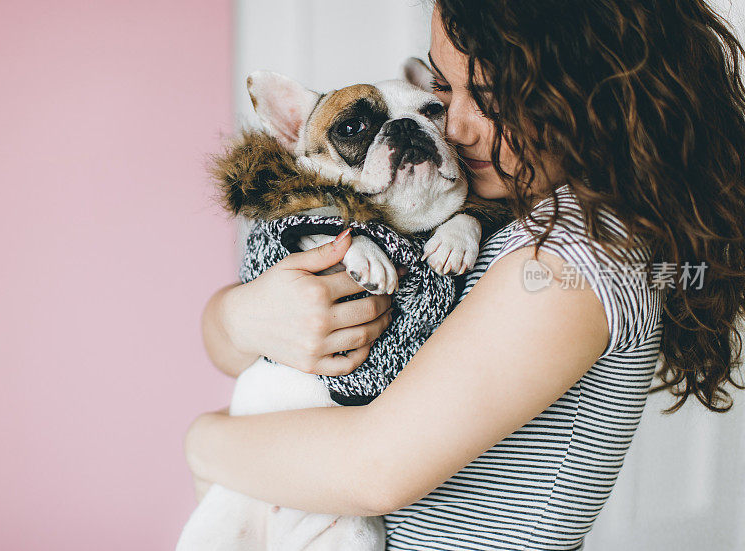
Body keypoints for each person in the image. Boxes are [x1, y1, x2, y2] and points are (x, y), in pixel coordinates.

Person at [184, 1, 745, 548]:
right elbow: (249, 348)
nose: (453, 124)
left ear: (595, 95)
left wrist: (201, 441)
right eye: (442, 89)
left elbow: (376, 469)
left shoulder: (579, 251)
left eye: (493, 97)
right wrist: (240, 316)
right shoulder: (481, 203)